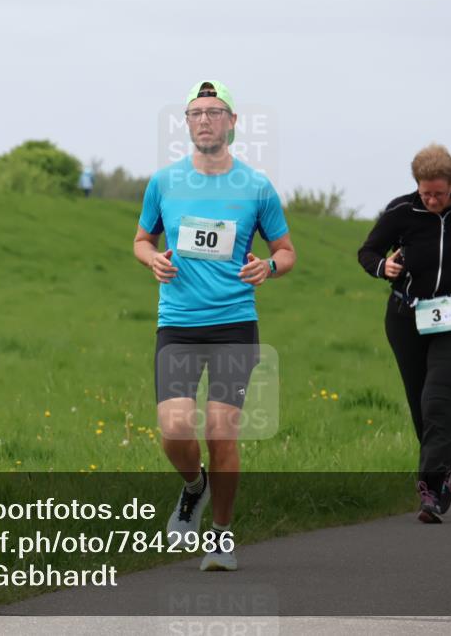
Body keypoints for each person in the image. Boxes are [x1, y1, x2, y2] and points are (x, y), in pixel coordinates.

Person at [133, 80, 296, 569]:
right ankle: (193, 486)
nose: (205, 119)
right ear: (186, 123)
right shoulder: (163, 183)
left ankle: (221, 536)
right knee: (174, 427)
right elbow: (141, 240)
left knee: (222, 433)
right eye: (196, 112)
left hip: (234, 324)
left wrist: (268, 267)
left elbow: (286, 252)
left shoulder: (256, 186)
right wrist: (151, 260)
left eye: (214, 111)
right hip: (179, 323)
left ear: (232, 122)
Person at [357, 143, 451, 524]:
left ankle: (431, 489)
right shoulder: (401, 211)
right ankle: (447, 461)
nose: (432, 199)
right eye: (425, 193)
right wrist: (381, 267)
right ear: (416, 186)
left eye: (438, 193)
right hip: (407, 318)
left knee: (438, 397)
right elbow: (368, 252)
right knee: (420, 401)